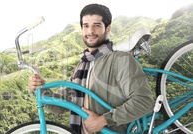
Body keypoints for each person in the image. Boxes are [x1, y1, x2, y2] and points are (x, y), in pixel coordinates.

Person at [28, 3, 154, 133]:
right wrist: (41, 90)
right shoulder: (82, 66)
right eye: (86, 26)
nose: (90, 31)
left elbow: (144, 101)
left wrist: (103, 120)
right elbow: (60, 106)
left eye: (97, 25)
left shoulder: (120, 59)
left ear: (108, 28)